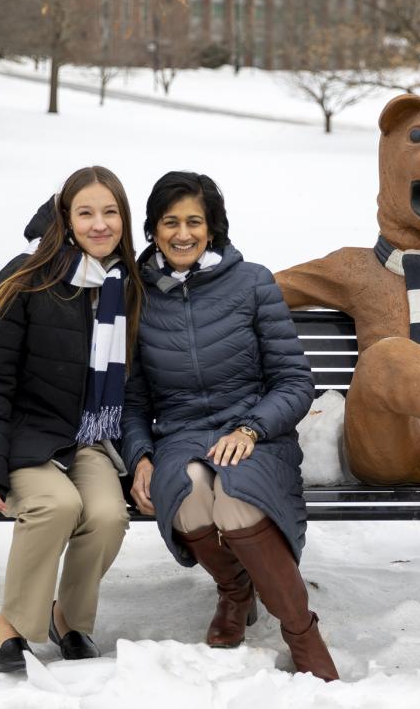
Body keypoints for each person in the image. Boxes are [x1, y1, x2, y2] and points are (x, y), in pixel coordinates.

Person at [122, 171, 339, 682]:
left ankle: (301, 630)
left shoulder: (252, 282)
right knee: (190, 488)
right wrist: (140, 457)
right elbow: (131, 401)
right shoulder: (135, 295)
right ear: (153, 229)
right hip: (179, 435)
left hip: (255, 433)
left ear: (212, 228)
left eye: (194, 221)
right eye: (169, 221)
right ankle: (235, 592)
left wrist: (251, 429)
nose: (182, 233)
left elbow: (294, 381)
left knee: (235, 497)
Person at [0, 166, 143, 673]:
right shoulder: (25, 277)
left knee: (106, 516)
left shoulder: (127, 287)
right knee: (57, 506)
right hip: (25, 438)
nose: (99, 224)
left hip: (87, 441)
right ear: (65, 217)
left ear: (125, 220)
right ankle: (10, 626)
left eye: (110, 212)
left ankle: (69, 620)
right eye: (86, 212)